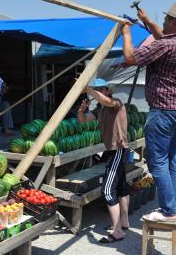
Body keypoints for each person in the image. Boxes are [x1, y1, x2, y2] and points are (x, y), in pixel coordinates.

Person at [119, 3, 176, 222]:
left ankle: (169, 211)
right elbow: (162, 37)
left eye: (165, 19)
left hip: (162, 111)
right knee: (173, 159)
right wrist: (147, 21)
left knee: (157, 162)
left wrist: (125, 32)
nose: (161, 22)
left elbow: (131, 58)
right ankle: (175, 207)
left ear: (172, 22)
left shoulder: (165, 45)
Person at [78, 78, 130, 243]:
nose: (97, 92)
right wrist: (81, 110)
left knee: (107, 191)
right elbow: (84, 121)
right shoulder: (99, 109)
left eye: (100, 89)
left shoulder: (116, 103)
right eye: (95, 89)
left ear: (108, 90)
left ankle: (117, 232)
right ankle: (123, 222)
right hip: (114, 151)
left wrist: (87, 89)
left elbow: (106, 100)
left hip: (118, 150)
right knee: (121, 187)